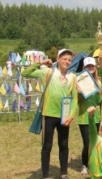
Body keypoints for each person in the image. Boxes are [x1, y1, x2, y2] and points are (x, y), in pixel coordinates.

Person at [22, 49, 78, 179]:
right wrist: (40, 62)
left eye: (69, 60)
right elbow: (25, 73)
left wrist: (71, 116)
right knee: (47, 145)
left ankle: (63, 173)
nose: (67, 62)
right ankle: (46, 175)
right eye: (64, 59)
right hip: (48, 115)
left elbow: (74, 98)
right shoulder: (47, 72)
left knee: (64, 145)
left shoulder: (73, 77)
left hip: (64, 116)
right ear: (58, 59)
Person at [77, 57, 102, 176]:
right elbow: (76, 100)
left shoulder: (99, 81)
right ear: (84, 68)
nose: (90, 68)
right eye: (88, 66)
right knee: (87, 143)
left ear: (95, 67)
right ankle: (85, 165)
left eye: (92, 66)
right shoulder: (79, 81)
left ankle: (93, 163)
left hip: (96, 117)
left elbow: (100, 100)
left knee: (94, 141)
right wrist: (77, 92)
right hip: (84, 117)